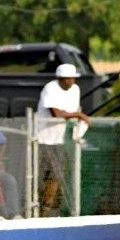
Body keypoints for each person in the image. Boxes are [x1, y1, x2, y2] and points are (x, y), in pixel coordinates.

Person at [36, 63, 91, 217]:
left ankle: (47, 209)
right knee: (39, 177)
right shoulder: (50, 88)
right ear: (60, 78)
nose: (71, 82)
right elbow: (57, 114)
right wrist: (80, 116)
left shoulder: (75, 90)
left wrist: (78, 120)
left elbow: (72, 112)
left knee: (56, 175)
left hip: (58, 140)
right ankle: (35, 207)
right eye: (67, 79)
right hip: (41, 139)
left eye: (73, 78)